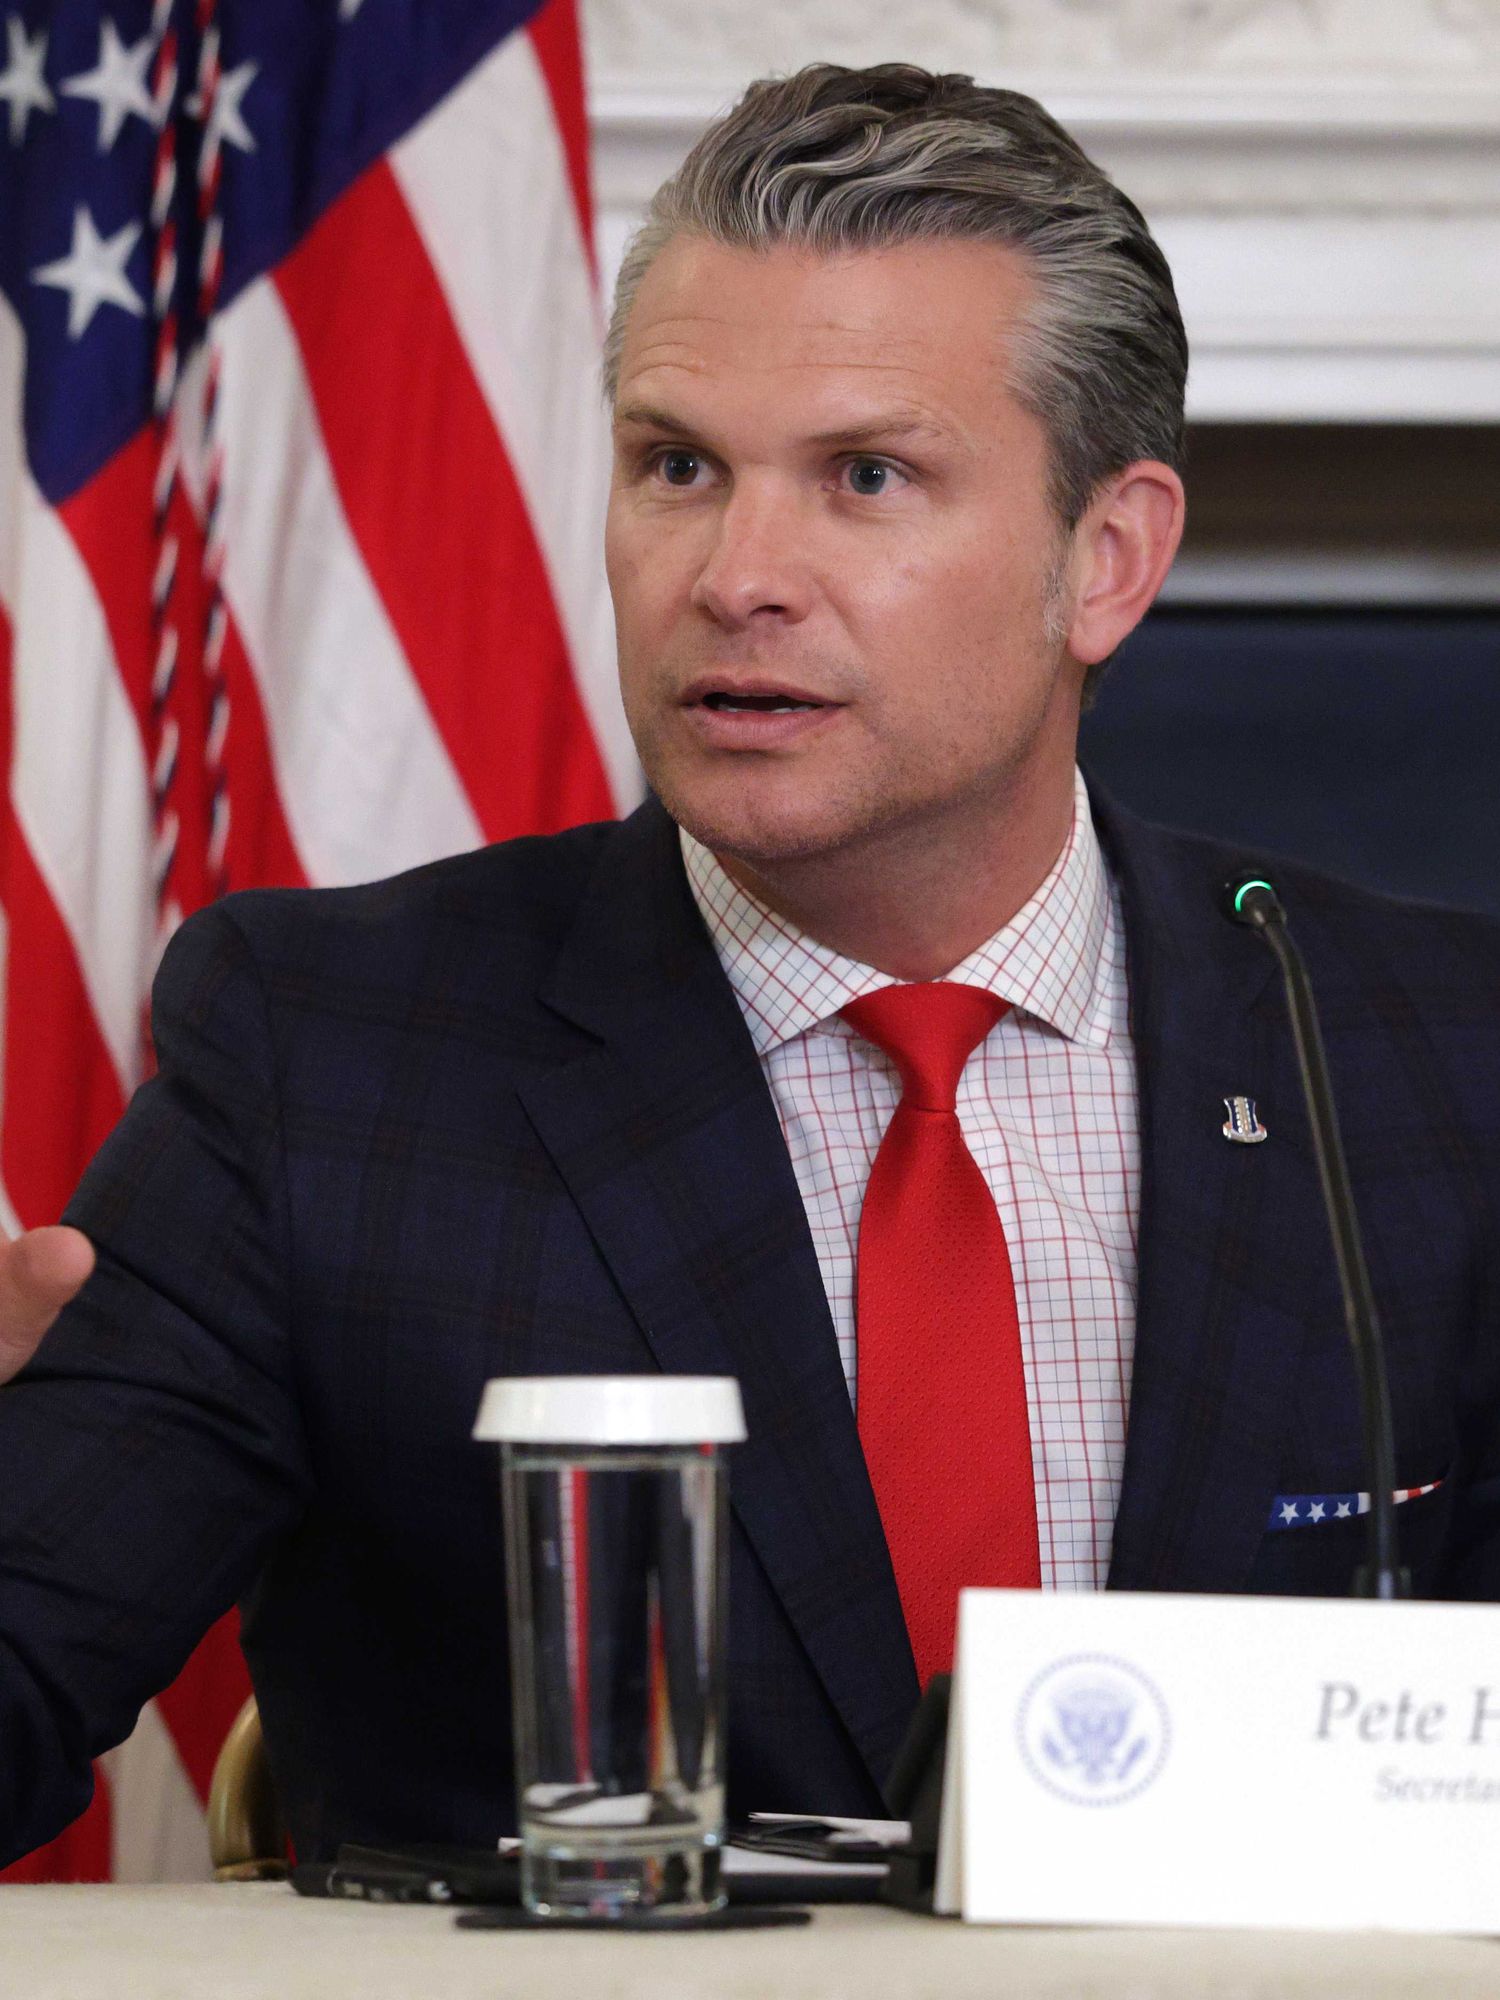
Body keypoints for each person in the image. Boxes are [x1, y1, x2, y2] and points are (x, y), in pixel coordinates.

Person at [2, 63, 1498, 1869]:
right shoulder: (327, 1056)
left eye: (867, 475)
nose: (736, 574)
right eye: (677, 467)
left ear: (1106, 560)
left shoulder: (1430, 1060)